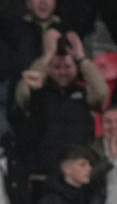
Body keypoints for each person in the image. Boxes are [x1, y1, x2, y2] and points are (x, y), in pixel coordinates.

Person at [15, 30, 108, 177]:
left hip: (79, 172)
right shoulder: (38, 93)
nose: (62, 72)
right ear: (48, 68)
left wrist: (81, 58)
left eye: (68, 66)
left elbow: (102, 93)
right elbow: (22, 95)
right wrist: (47, 56)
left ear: (76, 68)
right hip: (45, 171)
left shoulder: (84, 94)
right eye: (56, 67)